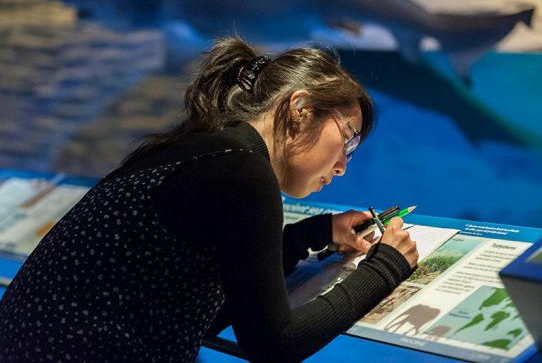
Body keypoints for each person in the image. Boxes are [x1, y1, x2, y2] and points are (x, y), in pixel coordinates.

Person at [0, 37, 418, 362]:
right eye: (349, 138)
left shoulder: (206, 152)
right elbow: (276, 345)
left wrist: (312, 235)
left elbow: (190, 315)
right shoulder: (243, 172)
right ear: (301, 109)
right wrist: (387, 266)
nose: (344, 164)